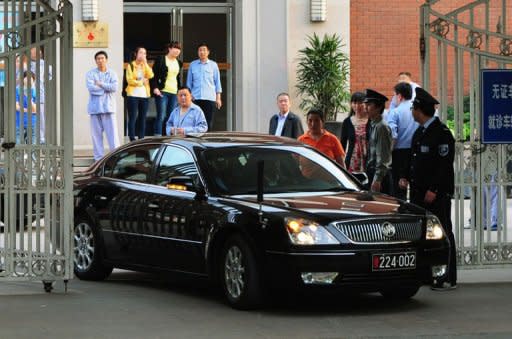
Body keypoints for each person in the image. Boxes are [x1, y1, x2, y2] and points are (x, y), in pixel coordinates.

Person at [399, 87, 457, 290]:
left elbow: (443, 166)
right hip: (418, 192)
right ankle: (426, 274)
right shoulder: (420, 132)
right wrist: (405, 176)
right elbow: (413, 157)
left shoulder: (441, 134)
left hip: (435, 193)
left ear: (420, 109)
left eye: (413, 108)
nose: (412, 112)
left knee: (443, 232)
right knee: (423, 233)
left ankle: (448, 276)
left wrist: (434, 189)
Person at [386, 82, 418, 200]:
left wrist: (389, 154)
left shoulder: (395, 112)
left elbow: (393, 135)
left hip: (399, 154)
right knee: (416, 187)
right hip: (417, 152)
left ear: (399, 96)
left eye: (394, 95)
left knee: (399, 190)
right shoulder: (418, 109)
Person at [86, 50, 120, 161]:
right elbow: (91, 88)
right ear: (95, 61)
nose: (100, 60)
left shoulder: (112, 73)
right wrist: (106, 88)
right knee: (96, 136)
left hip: (108, 108)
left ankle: (116, 157)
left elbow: (114, 88)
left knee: (113, 136)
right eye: (98, 59)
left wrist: (101, 84)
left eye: (102, 58)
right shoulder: (91, 73)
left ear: (106, 60)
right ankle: (98, 159)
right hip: (95, 109)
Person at [186, 42, 222, 130]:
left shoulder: (213, 65)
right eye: (200, 50)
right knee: (195, 122)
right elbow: (189, 83)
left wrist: (218, 98)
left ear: (208, 52)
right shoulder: (193, 65)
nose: (202, 52)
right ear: (198, 52)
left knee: (208, 121)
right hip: (195, 98)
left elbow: (217, 82)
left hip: (209, 98)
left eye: (204, 50)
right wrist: (189, 95)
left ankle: (206, 141)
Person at [364, 89, 393, 194]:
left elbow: (383, 157)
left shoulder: (381, 127)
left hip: (380, 176)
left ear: (379, 107)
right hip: (372, 172)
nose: (365, 108)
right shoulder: (373, 124)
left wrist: (377, 179)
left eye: (369, 105)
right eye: (365, 104)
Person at [151, 41, 182, 136]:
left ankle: (169, 137)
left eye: (179, 49)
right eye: (175, 48)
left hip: (174, 92)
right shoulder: (161, 59)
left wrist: (180, 91)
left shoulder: (179, 62)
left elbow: (177, 78)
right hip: (162, 91)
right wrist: (155, 88)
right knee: (161, 115)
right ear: (169, 49)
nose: (177, 51)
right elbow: (153, 76)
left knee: (171, 117)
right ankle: (158, 137)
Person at [125, 46, 154, 141]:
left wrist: (145, 63)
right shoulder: (131, 65)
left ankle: (141, 137)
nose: (143, 55)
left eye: (144, 53)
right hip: (133, 95)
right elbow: (129, 80)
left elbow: (151, 75)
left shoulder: (145, 65)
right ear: (136, 54)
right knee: (133, 117)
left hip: (144, 95)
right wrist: (141, 82)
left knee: (143, 117)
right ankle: (132, 138)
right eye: (141, 53)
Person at [341, 91, 369, 172]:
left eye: (360, 103)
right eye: (354, 102)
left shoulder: (371, 121)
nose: (357, 106)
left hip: (369, 160)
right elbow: (343, 144)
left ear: (365, 104)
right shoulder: (347, 122)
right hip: (352, 161)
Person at [15, 71, 37, 144]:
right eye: (26, 78)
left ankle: (32, 156)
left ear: (33, 80)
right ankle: (20, 156)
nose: (28, 80)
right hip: (19, 121)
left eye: (30, 78)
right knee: (19, 144)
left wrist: (29, 98)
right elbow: (16, 106)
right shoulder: (17, 90)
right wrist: (29, 110)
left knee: (32, 144)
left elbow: (35, 109)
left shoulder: (35, 91)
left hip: (32, 122)